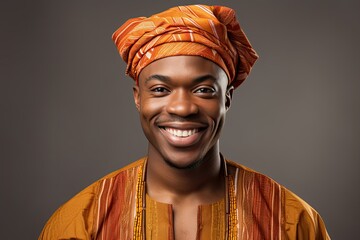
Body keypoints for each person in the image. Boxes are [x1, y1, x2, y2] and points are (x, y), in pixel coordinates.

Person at [39, 4, 330, 240]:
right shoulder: (80, 224)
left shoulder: (292, 223)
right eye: (160, 90)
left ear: (227, 99)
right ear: (138, 98)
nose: (182, 107)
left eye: (203, 89)